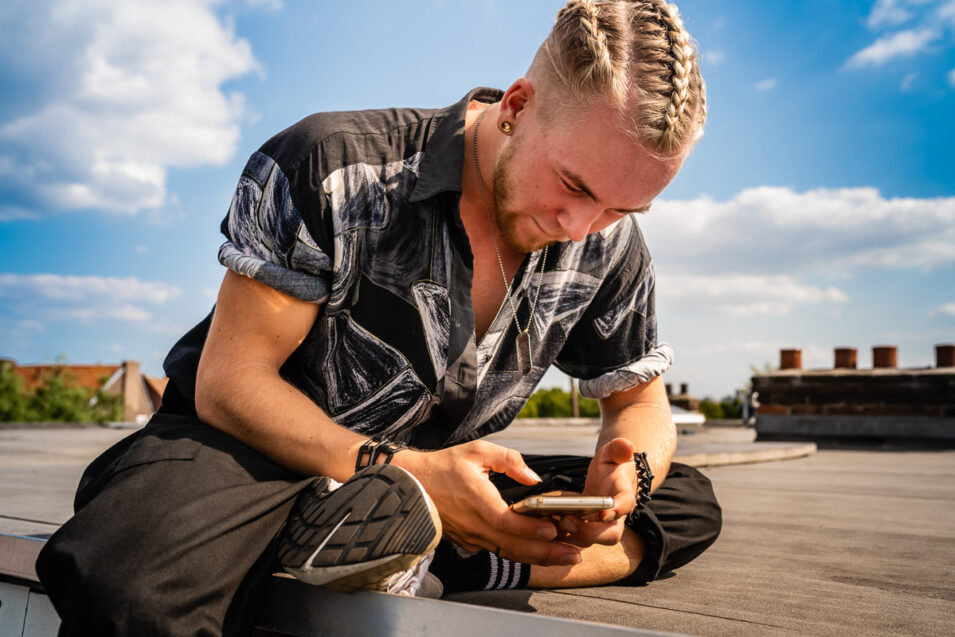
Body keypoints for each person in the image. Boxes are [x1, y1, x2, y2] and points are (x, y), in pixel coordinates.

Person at [36, 0, 721, 634]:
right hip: (249, 451)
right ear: (516, 104)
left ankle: (435, 556)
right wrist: (409, 473)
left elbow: (638, 403)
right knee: (123, 585)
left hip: (426, 478)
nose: (582, 226)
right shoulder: (332, 164)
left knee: (685, 500)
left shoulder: (605, 240)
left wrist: (626, 478)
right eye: (573, 185)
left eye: (621, 209)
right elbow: (230, 380)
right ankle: (395, 546)